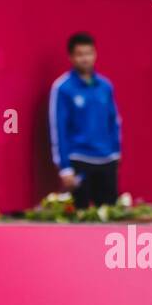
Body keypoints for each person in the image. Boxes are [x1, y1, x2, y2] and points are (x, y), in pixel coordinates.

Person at [49, 32, 122, 208]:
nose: (85, 59)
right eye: (80, 54)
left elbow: (114, 121)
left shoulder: (105, 86)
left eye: (89, 53)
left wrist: (116, 152)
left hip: (106, 160)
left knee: (109, 219)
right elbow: (58, 128)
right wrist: (65, 168)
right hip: (79, 161)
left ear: (95, 54)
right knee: (80, 220)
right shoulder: (63, 87)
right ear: (71, 57)